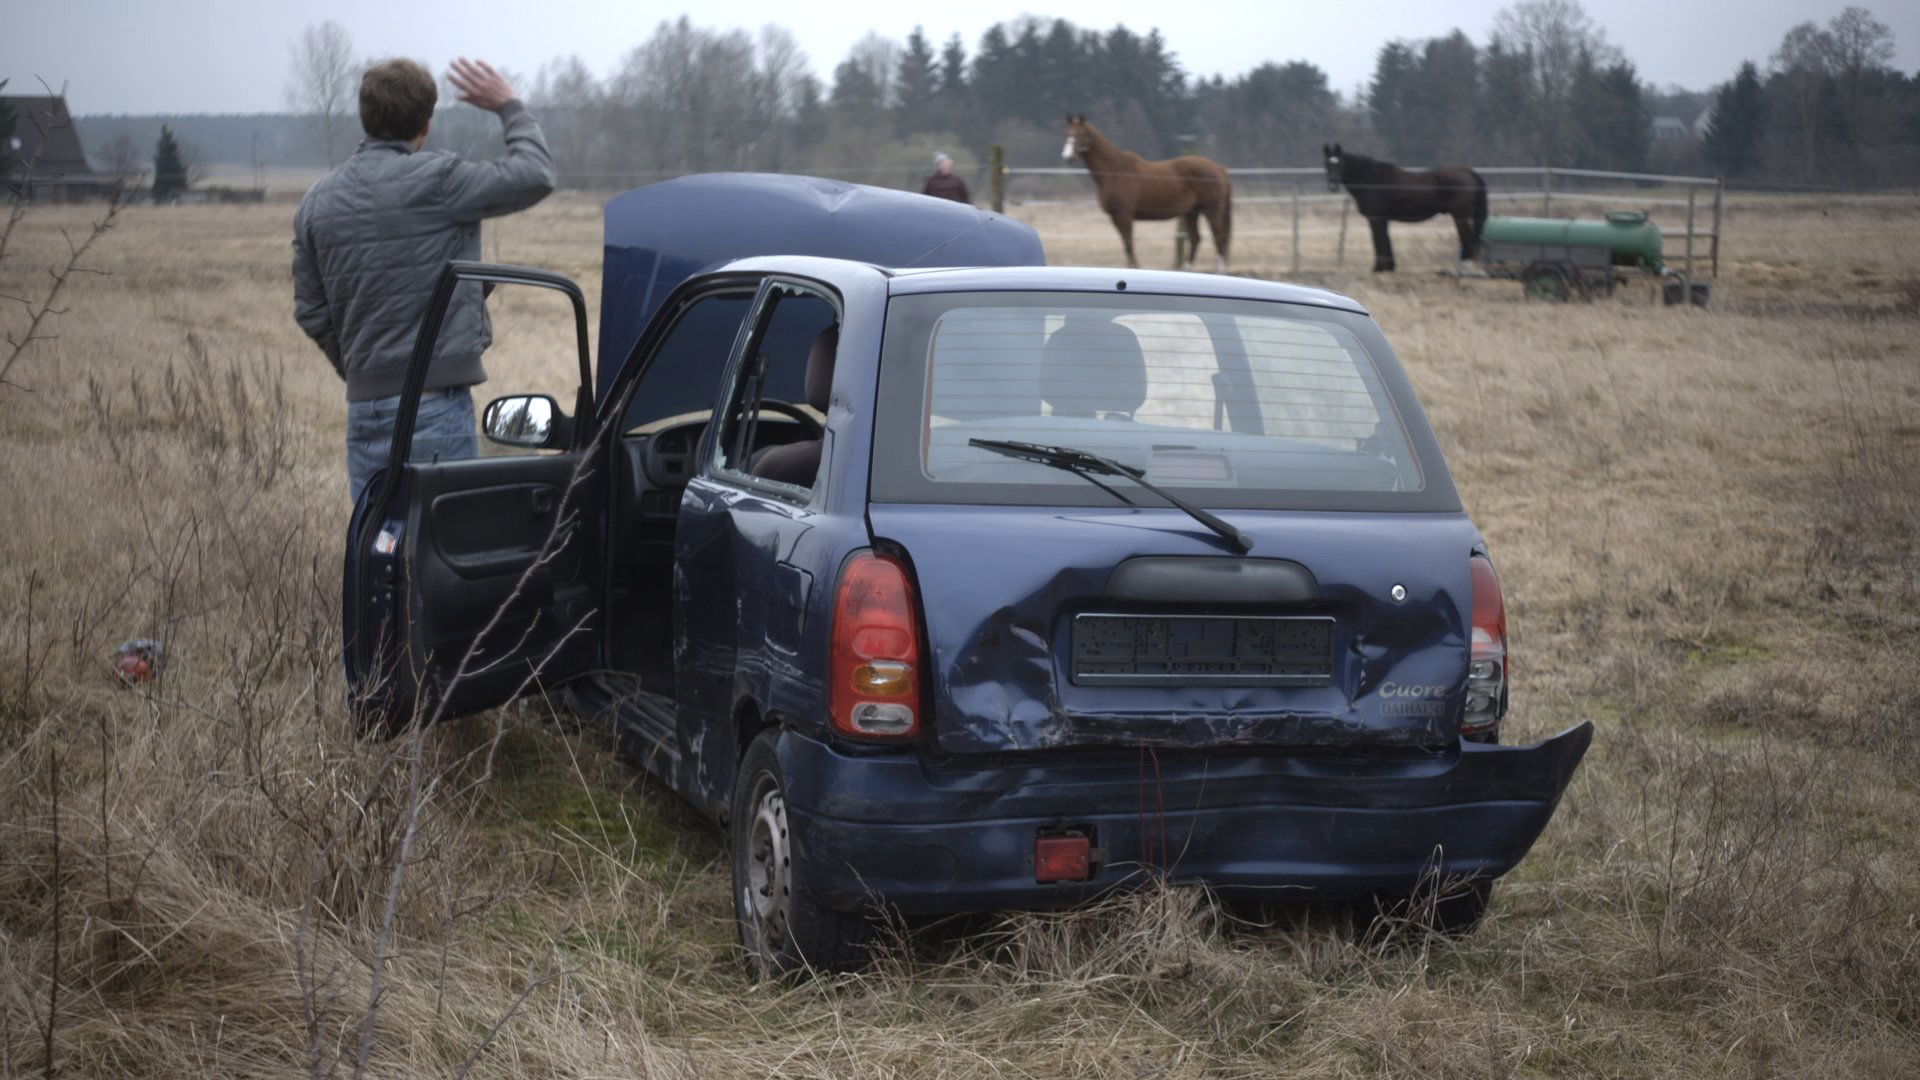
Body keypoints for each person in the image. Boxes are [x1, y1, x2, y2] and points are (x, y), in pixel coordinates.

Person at [293, 57, 557, 502]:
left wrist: (364, 370)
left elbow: (311, 311)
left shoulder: (316, 201)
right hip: (434, 407)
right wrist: (510, 106)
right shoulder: (440, 181)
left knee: (377, 552)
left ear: (366, 117)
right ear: (426, 124)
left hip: (365, 411)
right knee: (440, 551)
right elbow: (536, 174)